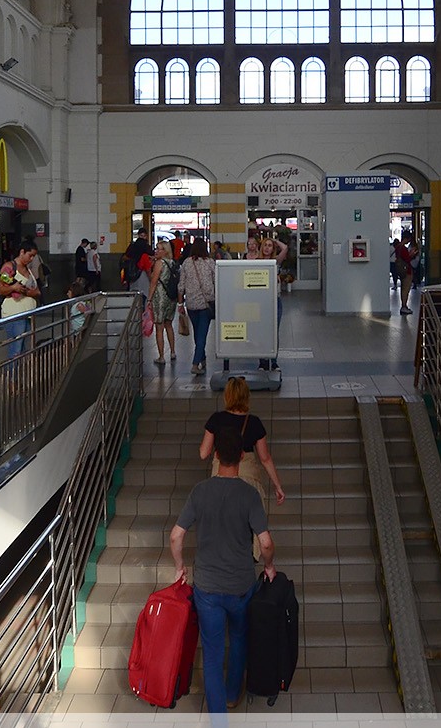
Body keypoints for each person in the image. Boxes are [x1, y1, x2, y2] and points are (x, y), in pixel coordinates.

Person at [171, 425, 276, 717]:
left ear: (216, 455)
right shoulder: (249, 495)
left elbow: (176, 536)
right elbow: (266, 543)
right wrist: (269, 566)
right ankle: (232, 694)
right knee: (239, 638)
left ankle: (218, 718)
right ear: (242, 456)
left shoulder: (200, 491)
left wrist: (180, 567)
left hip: (207, 589)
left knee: (213, 653)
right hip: (241, 586)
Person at [198, 376, 286, 512]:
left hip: (220, 478)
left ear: (227, 396)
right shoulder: (254, 422)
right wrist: (277, 485)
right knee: (251, 521)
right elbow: (265, 459)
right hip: (249, 478)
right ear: (246, 396)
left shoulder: (216, 419)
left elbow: (203, 454)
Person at [0, 239, 41, 358]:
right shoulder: (9, 267)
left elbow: (37, 291)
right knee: (15, 350)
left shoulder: (28, 269)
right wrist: (13, 288)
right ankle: (13, 370)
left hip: (28, 313)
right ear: (22, 252)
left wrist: (26, 291)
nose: (31, 259)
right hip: (15, 313)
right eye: (30, 255)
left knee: (23, 350)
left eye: (33, 256)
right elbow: (1, 290)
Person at [179, 239, 216, 375]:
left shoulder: (187, 263)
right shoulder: (210, 263)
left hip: (191, 304)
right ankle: (195, 364)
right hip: (206, 304)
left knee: (197, 333)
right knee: (202, 335)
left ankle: (202, 358)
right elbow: (216, 281)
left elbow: (181, 285)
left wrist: (180, 303)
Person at [147, 238, 177, 364]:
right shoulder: (172, 263)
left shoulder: (159, 263)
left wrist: (149, 299)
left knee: (159, 326)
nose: (156, 251)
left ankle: (161, 356)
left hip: (160, 296)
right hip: (171, 297)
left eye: (159, 249)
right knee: (169, 324)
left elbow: (153, 282)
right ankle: (173, 351)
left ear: (165, 251)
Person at [393, 230, 419, 315]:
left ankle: (404, 306)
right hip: (406, 270)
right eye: (408, 240)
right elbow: (407, 259)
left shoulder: (397, 247)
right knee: (406, 289)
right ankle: (404, 306)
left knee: (403, 288)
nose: (408, 242)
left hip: (401, 270)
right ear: (406, 238)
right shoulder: (403, 248)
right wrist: (412, 254)